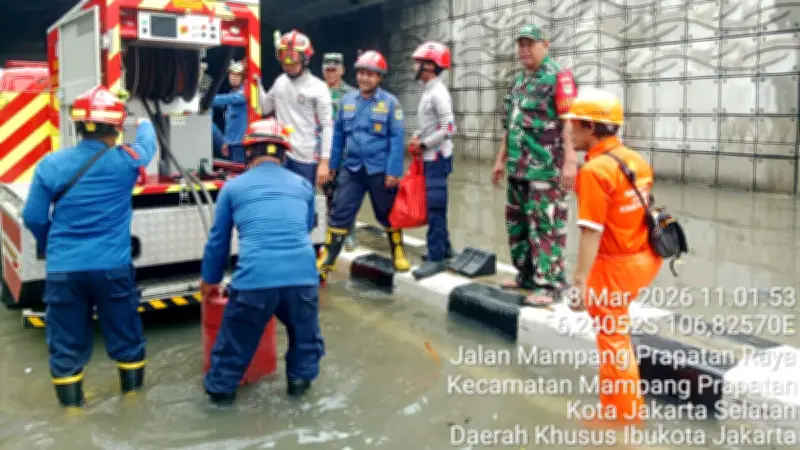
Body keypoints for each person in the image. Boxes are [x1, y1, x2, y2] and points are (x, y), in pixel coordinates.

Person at [21, 86, 157, 408]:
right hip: (112, 268)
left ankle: (72, 416)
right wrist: (140, 117)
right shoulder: (126, 161)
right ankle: (133, 402)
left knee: (66, 346)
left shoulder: (50, 164)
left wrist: (50, 244)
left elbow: (33, 216)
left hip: (64, 270)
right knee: (126, 336)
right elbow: (147, 145)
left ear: (78, 126)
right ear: (115, 129)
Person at [201, 117, 325, 405]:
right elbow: (305, 228)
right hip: (303, 280)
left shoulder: (232, 188)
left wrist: (209, 282)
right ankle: (298, 392)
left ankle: (221, 402)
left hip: (255, 282)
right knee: (305, 345)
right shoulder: (303, 186)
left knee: (231, 351)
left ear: (247, 152)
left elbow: (217, 243)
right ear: (284, 153)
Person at [563, 87, 663, 425]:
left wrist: (579, 283)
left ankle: (622, 420)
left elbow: (591, 231)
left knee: (613, 340)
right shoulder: (635, 159)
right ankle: (617, 407)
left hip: (615, 267)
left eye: (574, 124)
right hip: (644, 258)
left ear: (591, 128)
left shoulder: (594, 172)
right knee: (617, 332)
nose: (570, 131)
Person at [491, 24, 578, 305]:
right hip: (519, 168)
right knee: (517, 224)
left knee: (546, 226)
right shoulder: (518, 82)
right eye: (520, 44)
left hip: (545, 169)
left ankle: (551, 285)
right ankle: (526, 275)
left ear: (545, 44)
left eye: (530, 43)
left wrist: (570, 162)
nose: (524, 49)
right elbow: (511, 125)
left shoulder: (558, 77)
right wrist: (500, 160)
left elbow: (570, 123)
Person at [316, 50, 409, 280]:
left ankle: (397, 249)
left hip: (380, 170)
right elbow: (338, 136)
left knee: (387, 213)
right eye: (362, 73)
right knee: (339, 212)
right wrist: (332, 165)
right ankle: (327, 261)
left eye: (371, 74)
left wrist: (394, 170)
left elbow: (397, 140)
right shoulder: (347, 102)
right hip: (352, 169)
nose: (365, 78)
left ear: (379, 78)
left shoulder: (390, 104)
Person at [407, 41, 457, 280]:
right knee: (434, 205)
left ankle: (437, 257)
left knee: (435, 207)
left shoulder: (438, 92)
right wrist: (419, 135)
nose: (414, 66)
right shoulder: (429, 90)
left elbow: (449, 127)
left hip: (436, 158)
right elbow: (432, 124)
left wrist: (424, 144)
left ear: (430, 65)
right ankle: (445, 247)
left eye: (418, 62)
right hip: (429, 157)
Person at [259, 30, 333, 187]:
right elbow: (264, 108)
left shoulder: (318, 87)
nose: (288, 65)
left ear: (305, 59)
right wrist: (255, 83)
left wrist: (324, 163)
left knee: (304, 201)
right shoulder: (280, 82)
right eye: (284, 60)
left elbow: (327, 126)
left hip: (306, 158)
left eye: (293, 60)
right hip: (281, 153)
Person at [320, 52, 358, 250]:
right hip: (324, 152)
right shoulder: (317, 91)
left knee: (347, 195)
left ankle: (350, 234)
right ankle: (332, 230)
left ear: (342, 70)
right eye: (327, 70)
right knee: (328, 194)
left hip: (346, 152)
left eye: (334, 70)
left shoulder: (352, 94)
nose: (331, 74)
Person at [211, 61, 248, 164]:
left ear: (243, 77)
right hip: (232, 143)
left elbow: (229, 99)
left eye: (237, 75)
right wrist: (226, 142)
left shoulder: (244, 93)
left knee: (239, 172)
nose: (233, 77)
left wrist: (207, 100)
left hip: (240, 144)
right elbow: (231, 124)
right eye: (231, 74)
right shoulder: (233, 93)